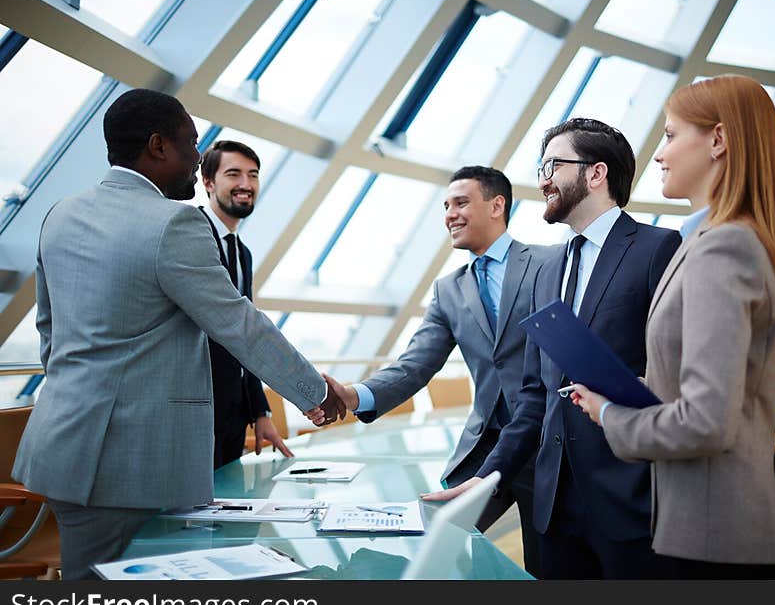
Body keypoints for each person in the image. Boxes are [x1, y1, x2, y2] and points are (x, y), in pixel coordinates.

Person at [12, 88, 344, 579]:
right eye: (190, 144)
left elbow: (50, 330)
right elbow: (238, 323)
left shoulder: (60, 214)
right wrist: (314, 391)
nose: (196, 158)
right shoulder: (175, 223)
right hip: (134, 466)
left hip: (61, 448)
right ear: (158, 146)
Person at [569, 75, 775, 579]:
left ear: (718, 141)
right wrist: (635, 390)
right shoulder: (718, 242)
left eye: (670, 135)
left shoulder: (724, 247)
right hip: (717, 535)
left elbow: (706, 422)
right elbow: (708, 395)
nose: (659, 154)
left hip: (723, 545)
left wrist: (611, 413)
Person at [425, 119, 681, 579]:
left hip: (630, 500)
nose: (542, 179)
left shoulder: (657, 248)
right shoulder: (547, 270)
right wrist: (487, 478)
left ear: (596, 173)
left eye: (552, 165)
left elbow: (675, 372)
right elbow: (534, 394)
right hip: (555, 508)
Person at [321, 166, 554, 577]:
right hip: (485, 446)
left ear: (497, 205)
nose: (450, 214)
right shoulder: (449, 289)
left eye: (461, 202)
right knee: (433, 549)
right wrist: (356, 395)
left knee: (546, 567)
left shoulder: (548, 263)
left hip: (547, 443)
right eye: (446, 206)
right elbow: (416, 364)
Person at [198, 140, 289, 469]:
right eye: (233, 174)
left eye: (253, 175)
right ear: (208, 182)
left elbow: (244, 336)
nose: (245, 185)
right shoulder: (190, 234)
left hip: (232, 412)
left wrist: (259, 411)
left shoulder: (242, 252)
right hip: (196, 409)